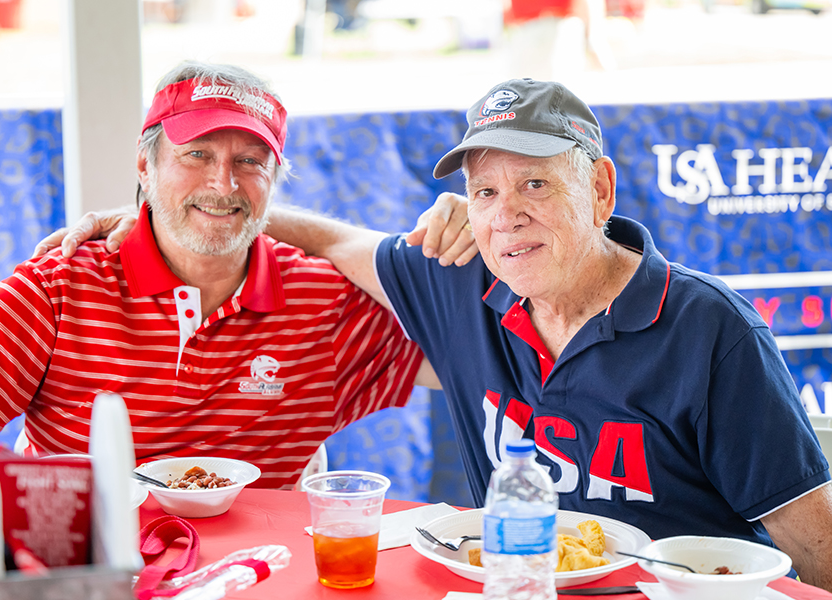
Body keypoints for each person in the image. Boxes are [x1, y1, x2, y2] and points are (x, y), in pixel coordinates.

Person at [41, 78, 832, 590]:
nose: (504, 213)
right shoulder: (459, 283)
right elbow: (333, 240)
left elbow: (816, 544)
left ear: (598, 189)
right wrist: (180, 215)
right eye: (482, 190)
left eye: (535, 184)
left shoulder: (708, 331)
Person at [0, 60, 471, 491]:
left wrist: (488, 232)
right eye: (197, 154)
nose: (223, 182)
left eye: (249, 161)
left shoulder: (322, 301)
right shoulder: (59, 287)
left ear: (274, 182)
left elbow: (489, 358)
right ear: (144, 166)